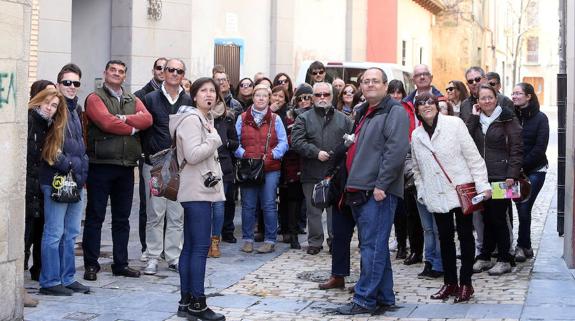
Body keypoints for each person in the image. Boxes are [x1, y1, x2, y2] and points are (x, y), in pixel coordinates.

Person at [336, 67, 409, 315]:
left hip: (377, 191)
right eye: (365, 81)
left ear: (386, 86)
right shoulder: (365, 111)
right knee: (374, 246)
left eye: (375, 81)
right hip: (359, 187)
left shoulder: (395, 112)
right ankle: (385, 297)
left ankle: (365, 299)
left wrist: (382, 185)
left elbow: (396, 151)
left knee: (372, 248)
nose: (369, 85)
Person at [411, 93, 491, 303]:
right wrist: (423, 191)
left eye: (430, 102)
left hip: (461, 190)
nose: (426, 106)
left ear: (437, 106)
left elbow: (473, 157)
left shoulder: (454, 124)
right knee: (444, 239)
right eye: (421, 104)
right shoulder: (416, 135)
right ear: (417, 110)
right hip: (436, 195)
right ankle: (450, 283)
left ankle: (466, 283)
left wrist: (482, 185)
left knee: (465, 236)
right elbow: (417, 169)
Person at [82, 60, 153, 281]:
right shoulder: (95, 98)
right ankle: (91, 265)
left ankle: (120, 263)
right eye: (112, 70)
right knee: (96, 217)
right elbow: (106, 123)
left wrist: (123, 118)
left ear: (125, 76)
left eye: (121, 72)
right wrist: (133, 127)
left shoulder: (133, 99)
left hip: (126, 166)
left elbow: (148, 119)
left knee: (122, 219)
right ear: (105, 73)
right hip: (101, 166)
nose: (116, 74)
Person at [170, 77, 226, 321]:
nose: (209, 95)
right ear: (194, 96)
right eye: (203, 91)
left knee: (192, 246)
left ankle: (186, 301)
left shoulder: (204, 118)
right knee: (200, 247)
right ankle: (198, 304)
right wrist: (214, 139)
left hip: (199, 188)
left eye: (212, 91)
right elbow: (193, 155)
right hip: (196, 190)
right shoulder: (192, 120)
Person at [38, 72, 90, 295]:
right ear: (58, 84)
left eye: (75, 83)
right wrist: (68, 164)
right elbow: (47, 147)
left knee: (70, 234)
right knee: (54, 233)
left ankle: (67, 277)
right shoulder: (53, 108)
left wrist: (82, 168)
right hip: (56, 179)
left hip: (75, 181)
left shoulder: (75, 110)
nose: (71, 86)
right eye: (66, 82)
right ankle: (50, 281)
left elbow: (79, 144)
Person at [141, 58, 191, 275]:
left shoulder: (188, 100)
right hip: (156, 163)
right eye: (170, 69)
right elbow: (143, 128)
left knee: (176, 214)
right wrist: (148, 155)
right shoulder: (150, 98)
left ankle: (173, 256)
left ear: (183, 75)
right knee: (155, 212)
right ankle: (152, 256)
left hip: (180, 165)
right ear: (164, 72)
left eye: (179, 71)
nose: (173, 73)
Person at [467, 84, 523, 276]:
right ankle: (484, 256)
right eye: (483, 98)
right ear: (478, 102)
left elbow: (516, 148)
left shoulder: (507, 117)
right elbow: (466, 139)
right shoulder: (476, 119)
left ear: (496, 98)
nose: (487, 101)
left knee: (500, 217)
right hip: (481, 176)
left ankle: (505, 258)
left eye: (490, 97)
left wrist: (512, 174)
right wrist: (473, 118)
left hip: (503, 176)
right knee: (484, 217)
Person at [292, 82, 353, 255]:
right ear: (312, 97)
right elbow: (297, 142)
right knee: (313, 210)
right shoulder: (303, 118)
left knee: (334, 210)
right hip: (311, 170)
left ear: (332, 97)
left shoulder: (344, 119)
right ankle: (315, 242)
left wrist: (340, 153)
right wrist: (315, 152)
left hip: (335, 173)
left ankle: (335, 240)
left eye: (326, 94)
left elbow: (352, 141)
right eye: (318, 95)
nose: (322, 98)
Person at [235, 84, 288, 254]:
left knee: (269, 204)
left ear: (269, 98)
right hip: (248, 168)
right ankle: (248, 239)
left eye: (264, 96)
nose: (261, 98)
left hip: (270, 167)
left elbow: (283, 142)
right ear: (253, 97)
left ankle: (270, 240)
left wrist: (272, 155)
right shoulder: (242, 118)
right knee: (248, 205)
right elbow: (235, 142)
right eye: (258, 95)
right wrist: (244, 154)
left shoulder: (275, 119)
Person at [401, 64, 444, 266]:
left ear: (431, 76)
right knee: (413, 212)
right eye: (418, 75)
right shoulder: (405, 103)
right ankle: (418, 252)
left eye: (426, 74)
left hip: (437, 166)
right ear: (413, 79)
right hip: (411, 163)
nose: (422, 77)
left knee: (436, 220)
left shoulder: (441, 100)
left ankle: (437, 259)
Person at [25, 83, 57, 306]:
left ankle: (37, 273)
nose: (49, 108)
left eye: (54, 105)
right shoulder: (28, 121)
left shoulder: (51, 125)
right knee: (25, 236)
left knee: (39, 231)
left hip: (42, 186)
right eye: (47, 103)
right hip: (28, 186)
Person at [134, 57, 167, 261]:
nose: (164, 71)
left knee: (169, 206)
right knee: (149, 206)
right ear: (153, 70)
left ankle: (164, 247)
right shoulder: (141, 96)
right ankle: (148, 247)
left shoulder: (178, 96)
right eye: (160, 67)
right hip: (150, 158)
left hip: (170, 160)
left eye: (168, 68)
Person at [512, 82, 549, 262]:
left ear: (528, 96)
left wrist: (521, 166)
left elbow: (540, 148)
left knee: (525, 205)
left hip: (535, 170)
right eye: (514, 93)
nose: (515, 96)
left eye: (519, 93)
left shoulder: (541, 118)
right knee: (520, 207)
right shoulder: (510, 116)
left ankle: (520, 245)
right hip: (513, 173)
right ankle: (526, 246)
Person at [210, 91, 239, 257]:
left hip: (224, 165)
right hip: (204, 165)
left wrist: (225, 142)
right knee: (206, 204)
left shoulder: (228, 118)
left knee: (219, 204)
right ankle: (204, 240)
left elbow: (235, 142)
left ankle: (215, 241)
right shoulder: (200, 117)